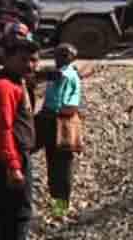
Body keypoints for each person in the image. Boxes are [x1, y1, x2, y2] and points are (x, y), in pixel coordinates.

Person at [0, 37, 39, 240]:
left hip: (12, 156)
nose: (29, 65)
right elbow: (2, 128)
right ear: (7, 59)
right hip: (9, 159)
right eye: (23, 60)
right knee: (19, 212)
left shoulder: (16, 82)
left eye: (33, 60)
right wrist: (13, 165)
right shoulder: (3, 87)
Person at [38, 43, 82, 209]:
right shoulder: (68, 72)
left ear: (71, 58)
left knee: (60, 167)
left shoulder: (64, 74)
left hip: (60, 121)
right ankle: (58, 206)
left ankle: (60, 208)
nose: (58, 58)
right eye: (57, 54)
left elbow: (52, 77)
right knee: (57, 165)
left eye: (63, 55)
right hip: (55, 118)